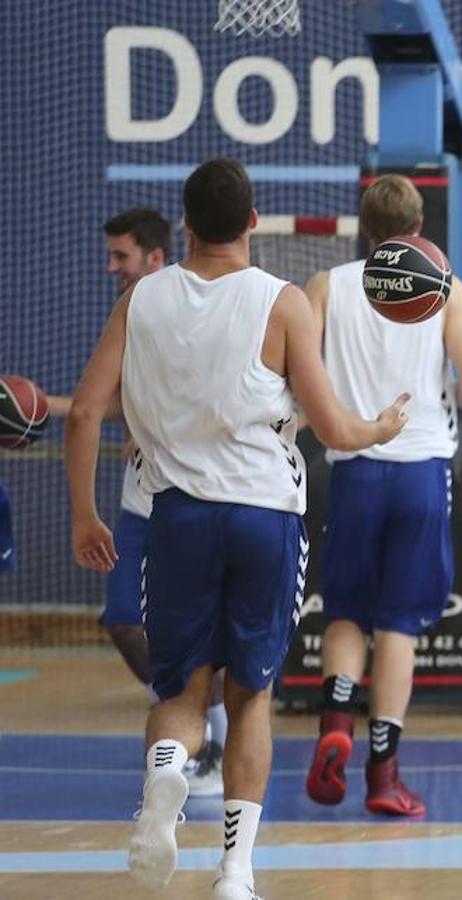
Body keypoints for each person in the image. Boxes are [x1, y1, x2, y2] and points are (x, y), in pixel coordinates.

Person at [66, 158, 409, 898]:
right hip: (263, 515)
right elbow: (333, 428)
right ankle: (235, 871)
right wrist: (380, 423)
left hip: (177, 515)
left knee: (183, 692)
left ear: (184, 225)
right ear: (254, 221)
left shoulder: (141, 299)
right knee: (251, 695)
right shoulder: (284, 303)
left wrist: (86, 514)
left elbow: (89, 410)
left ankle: (165, 779)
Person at [303, 174, 462, 817]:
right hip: (419, 469)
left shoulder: (328, 283)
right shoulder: (444, 287)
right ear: (419, 228)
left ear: (364, 227)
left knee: (346, 614)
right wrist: (445, 392)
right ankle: (383, 776)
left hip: (352, 464)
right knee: (399, 625)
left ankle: (335, 721)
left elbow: (294, 375)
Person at [48, 209, 229, 796]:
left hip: (198, 499)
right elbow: (98, 403)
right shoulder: (130, 309)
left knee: (210, 636)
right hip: (138, 504)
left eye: (120, 255)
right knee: (124, 620)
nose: (110, 266)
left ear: (155, 256)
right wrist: (40, 407)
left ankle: (213, 738)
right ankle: (191, 720)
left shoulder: (197, 306)